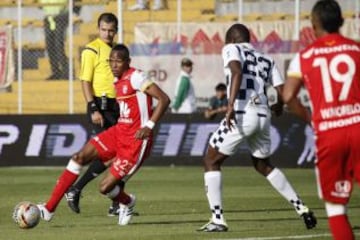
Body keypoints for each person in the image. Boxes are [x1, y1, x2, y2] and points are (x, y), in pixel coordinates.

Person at [198, 23, 317, 232]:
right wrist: (278, 106)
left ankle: (218, 220)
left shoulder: (231, 49)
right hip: (263, 115)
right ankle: (302, 209)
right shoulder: (267, 58)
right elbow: (282, 91)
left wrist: (231, 106)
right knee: (263, 165)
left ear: (232, 39)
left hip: (242, 113)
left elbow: (236, 72)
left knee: (211, 160)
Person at [37, 44, 170, 226]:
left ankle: (127, 202)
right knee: (79, 157)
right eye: (111, 61)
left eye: (118, 61)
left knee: (105, 188)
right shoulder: (117, 81)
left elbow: (164, 99)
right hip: (118, 132)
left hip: (136, 141)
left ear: (127, 62)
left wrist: (149, 125)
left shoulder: (137, 77)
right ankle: (49, 208)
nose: (114, 65)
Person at [283, 1, 360, 239]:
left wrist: (309, 118)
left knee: (336, 209)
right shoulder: (356, 50)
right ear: (342, 21)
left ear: (313, 24)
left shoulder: (304, 56)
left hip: (328, 134)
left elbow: (287, 96)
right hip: (358, 128)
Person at [64, 13, 122, 216]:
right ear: (99, 29)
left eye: (111, 29)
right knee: (111, 154)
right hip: (101, 107)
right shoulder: (91, 50)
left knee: (118, 154)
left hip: (117, 108)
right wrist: (93, 108)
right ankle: (77, 189)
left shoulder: (116, 50)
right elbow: (85, 81)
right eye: (104, 29)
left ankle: (111, 202)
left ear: (116, 29)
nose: (107, 33)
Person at [40, 0, 69, 80]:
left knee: (58, 45)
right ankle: (56, 72)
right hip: (48, 17)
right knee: (50, 46)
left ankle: (66, 72)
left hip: (60, 16)